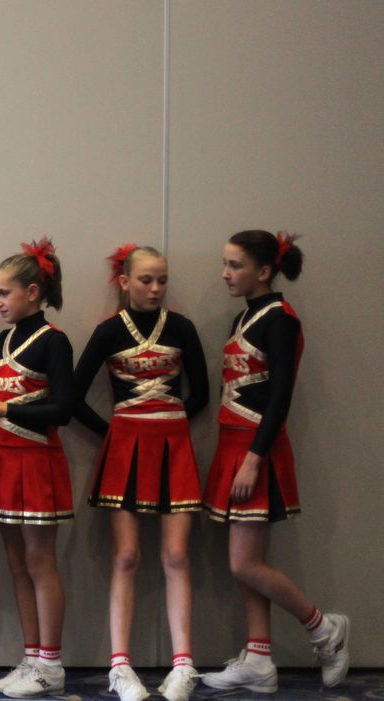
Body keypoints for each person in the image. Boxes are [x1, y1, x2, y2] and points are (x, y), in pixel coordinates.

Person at [200, 231, 350, 693]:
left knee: (245, 564)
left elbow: (280, 396)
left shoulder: (281, 319)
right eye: (224, 263)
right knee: (246, 560)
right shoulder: (245, 316)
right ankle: (259, 658)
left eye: (235, 265)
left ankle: (324, 627)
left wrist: (253, 459)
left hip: (255, 449)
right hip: (232, 446)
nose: (225, 273)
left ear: (264, 271)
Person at [72, 245, 208, 701]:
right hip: (124, 449)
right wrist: (115, 434)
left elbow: (202, 393)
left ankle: (183, 665)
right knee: (126, 556)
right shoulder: (109, 330)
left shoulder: (183, 328)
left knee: (176, 556)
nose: (155, 289)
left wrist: (167, 423)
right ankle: (120, 666)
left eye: (162, 280)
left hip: (173, 448)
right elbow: (73, 397)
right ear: (124, 281)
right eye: (146, 280)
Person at [0, 237, 73, 698]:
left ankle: (52, 663)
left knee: (41, 562)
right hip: (2, 462)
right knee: (16, 563)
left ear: (33, 291)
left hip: (38, 461)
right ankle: (31, 656)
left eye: (4, 293)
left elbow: (62, 410)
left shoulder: (54, 342)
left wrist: (5, 412)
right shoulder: (3, 340)